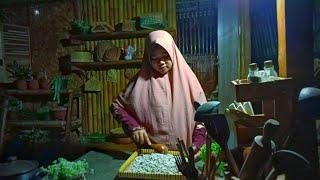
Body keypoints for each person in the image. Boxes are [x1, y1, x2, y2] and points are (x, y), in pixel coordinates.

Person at [111, 30, 207, 151]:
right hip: (151, 153)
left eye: (165, 56)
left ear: (173, 53)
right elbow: (116, 107)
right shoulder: (140, 81)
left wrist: (197, 144)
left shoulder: (189, 80)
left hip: (186, 154)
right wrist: (134, 127)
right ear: (148, 59)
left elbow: (204, 116)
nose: (161, 62)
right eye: (154, 58)